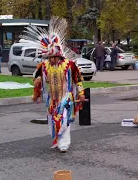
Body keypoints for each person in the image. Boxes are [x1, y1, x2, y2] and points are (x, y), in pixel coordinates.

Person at [19, 16, 85, 153]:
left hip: (66, 96)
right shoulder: (43, 66)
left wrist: (81, 93)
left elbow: (78, 79)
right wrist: (36, 94)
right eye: (50, 57)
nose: (52, 60)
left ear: (60, 56)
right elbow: (37, 81)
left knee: (64, 118)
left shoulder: (70, 65)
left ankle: (64, 143)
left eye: (54, 57)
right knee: (53, 121)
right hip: (52, 99)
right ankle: (57, 140)